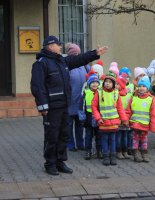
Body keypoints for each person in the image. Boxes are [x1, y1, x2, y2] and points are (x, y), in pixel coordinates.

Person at [31, 35, 108, 175]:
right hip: (51, 108)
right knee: (52, 136)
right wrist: (42, 106)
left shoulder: (61, 61)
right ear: (50, 46)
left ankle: (60, 162)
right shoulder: (41, 64)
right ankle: (50, 164)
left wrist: (94, 54)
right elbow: (37, 87)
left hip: (64, 105)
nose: (60, 47)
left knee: (63, 135)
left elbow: (78, 59)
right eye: (58, 44)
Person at [91, 72, 129, 166]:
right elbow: (94, 106)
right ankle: (106, 156)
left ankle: (112, 156)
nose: (107, 83)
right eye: (106, 81)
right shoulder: (99, 93)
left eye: (110, 82)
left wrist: (124, 120)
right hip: (103, 121)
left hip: (114, 122)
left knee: (113, 140)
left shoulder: (116, 93)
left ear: (113, 83)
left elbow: (120, 108)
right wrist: (98, 118)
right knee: (104, 139)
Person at [126, 76, 155, 162]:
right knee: (135, 139)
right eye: (140, 86)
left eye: (144, 86)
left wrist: (154, 127)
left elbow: (154, 114)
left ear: (147, 88)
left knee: (144, 140)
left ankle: (143, 154)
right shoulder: (134, 98)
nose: (141, 88)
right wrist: (126, 120)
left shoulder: (150, 100)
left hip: (144, 125)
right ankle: (136, 154)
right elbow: (128, 111)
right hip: (135, 124)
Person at [66, 43, 88, 152]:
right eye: (75, 53)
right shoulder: (67, 66)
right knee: (68, 125)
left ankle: (80, 143)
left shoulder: (84, 65)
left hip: (81, 101)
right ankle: (70, 144)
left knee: (80, 124)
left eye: (78, 53)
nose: (77, 55)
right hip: (70, 101)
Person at [79, 71, 102, 160]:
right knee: (88, 136)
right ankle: (88, 151)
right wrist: (82, 118)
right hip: (88, 117)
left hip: (98, 118)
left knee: (99, 135)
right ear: (89, 84)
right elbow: (81, 106)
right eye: (92, 82)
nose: (94, 84)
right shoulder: (85, 93)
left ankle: (99, 151)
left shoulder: (101, 93)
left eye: (96, 82)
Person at [115, 73, 131, 159]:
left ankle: (125, 151)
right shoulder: (114, 95)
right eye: (115, 84)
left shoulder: (127, 95)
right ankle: (118, 151)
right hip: (117, 119)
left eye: (117, 84)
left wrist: (127, 118)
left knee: (125, 137)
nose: (115, 85)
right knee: (118, 136)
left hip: (126, 119)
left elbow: (129, 108)